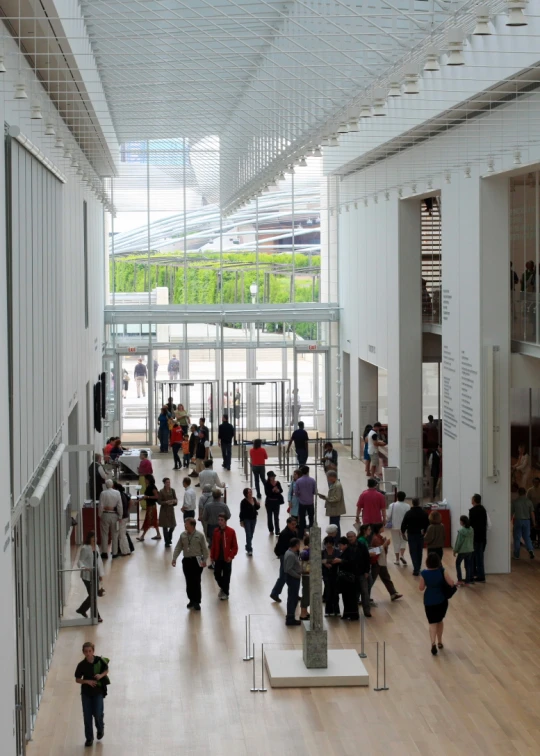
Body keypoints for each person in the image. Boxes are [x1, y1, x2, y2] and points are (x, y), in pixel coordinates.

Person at [419, 552, 455, 654]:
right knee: (439, 620)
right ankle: (440, 641)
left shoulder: (424, 573)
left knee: (432, 623)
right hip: (441, 600)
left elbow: (421, 588)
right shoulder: (442, 571)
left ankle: (433, 643)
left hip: (429, 601)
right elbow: (451, 583)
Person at [75, 641, 109, 746]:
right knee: (87, 716)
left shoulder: (99, 660)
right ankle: (89, 738)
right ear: (83, 652)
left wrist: (101, 675)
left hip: (98, 692)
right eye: (86, 651)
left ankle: (100, 728)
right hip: (86, 693)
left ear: (93, 651)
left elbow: (107, 670)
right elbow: (77, 679)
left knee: (98, 713)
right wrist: (87, 681)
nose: (88, 653)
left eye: (90, 651)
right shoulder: (81, 665)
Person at [171, 517, 209, 610]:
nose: (185, 526)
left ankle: (197, 601)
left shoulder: (200, 535)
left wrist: (204, 560)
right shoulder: (183, 535)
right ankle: (191, 599)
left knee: (196, 581)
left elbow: (205, 549)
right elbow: (178, 547)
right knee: (189, 581)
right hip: (187, 561)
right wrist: (174, 558)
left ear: (192, 525)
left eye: (186, 524)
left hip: (198, 560)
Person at [369, 524, 403, 602]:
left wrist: (385, 543)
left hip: (381, 561)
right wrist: (385, 543)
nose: (383, 528)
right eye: (382, 527)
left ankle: (393, 593)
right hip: (377, 562)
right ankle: (364, 596)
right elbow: (378, 550)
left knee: (386, 578)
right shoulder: (376, 538)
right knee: (372, 579)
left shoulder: (378, 537)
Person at [76, 531, 103, 622]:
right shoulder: (85, 548)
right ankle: (96, 616)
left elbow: (99, 562)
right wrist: (84, 567)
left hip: (95, 574)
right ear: (89, 538)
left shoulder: (97, 547)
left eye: (95, 537)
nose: (94, 539)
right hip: (87, 575)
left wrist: (100, 574)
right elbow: (80, 561)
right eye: (92, 537)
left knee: (93, 595)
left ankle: (82, 609)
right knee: (93, 595)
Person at [210, 513, 238, 600]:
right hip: (218, 558)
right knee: (216, 574)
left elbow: (235, 546)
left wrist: (231, 556)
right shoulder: (216, 531)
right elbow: (213, 545)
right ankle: (223, 587)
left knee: (226, 576)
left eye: (222, 520)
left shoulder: (231, 531)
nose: (220, 522)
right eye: (219, 520)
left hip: (227, 558)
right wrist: (212, 556)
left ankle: (226, 592)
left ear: (225, 521)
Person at [270, 516, 298, 602]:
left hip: (290, 556)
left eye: (295, 524)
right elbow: (281, 547)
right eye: (292, 524)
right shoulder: (285, 534)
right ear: (288, 524)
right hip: (285, 557)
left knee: (286, 575)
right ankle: (275, 593)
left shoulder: (293, 532)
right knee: (284, 576)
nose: (294, 526)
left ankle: (293, 593)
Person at [401, 498, 430, 575]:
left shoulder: (408, 513)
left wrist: (403, 533)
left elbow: (404, 524)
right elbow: (428, 524)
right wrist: (425, 532)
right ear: (419, 503)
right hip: (421, 534)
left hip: (411, 534)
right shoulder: (424, 513)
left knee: (413, 551)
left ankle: (416, 568)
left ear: (412, 503)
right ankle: (418, 567)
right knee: (419, 551)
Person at [334, 537, 360, 621]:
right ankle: (347, 614)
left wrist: (341, 561)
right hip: (346, 579)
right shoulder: (346, 551)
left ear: (345, 545)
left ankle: (353, 615)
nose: (339, 547)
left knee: (351, 597)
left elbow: (352, 563)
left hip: (350, 579)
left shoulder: (351, 551)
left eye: (340, 545)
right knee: (346, 597)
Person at [98, 479, 122, 560]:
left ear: (105, 485)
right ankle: (114, 553)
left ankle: (104, 552)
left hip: (105, 514)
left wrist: (100, 515)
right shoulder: (117, 493)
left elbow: (101, 505)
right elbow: (119, 506)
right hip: (114, 515)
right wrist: (120, 516)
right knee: (115, 534)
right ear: (112, 485)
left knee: (104, 534)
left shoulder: (103, 493)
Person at [317, 470, 345, 537]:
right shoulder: (334, 484)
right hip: (333, 509)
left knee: (335, 525)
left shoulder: (337, 485)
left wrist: (327, 498)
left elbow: (337, 498)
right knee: (333, 524)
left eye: (328, 477)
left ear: (332, 477)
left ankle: (336, 539)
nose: (327, 479)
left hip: (335, 509)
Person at [511, 487, 536, 559]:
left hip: (518, 520)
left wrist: (509, 521)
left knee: (517, 538)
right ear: (525, 493)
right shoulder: (529, 502)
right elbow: (532, 513)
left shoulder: (515, 502)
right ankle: (530, 550)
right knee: (527, 537)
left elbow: (512, 513)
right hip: (527, 521)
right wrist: (534, 522)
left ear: (518, 493)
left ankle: (516, 555)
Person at [469, 493, 488, 582]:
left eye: (472, 499)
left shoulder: (472, 511)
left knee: (473, 557)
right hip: (483, 537)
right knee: (480, 557)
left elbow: (470, 525)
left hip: (475, 537)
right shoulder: (483, 510)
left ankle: (473, 574)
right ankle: (481, 575)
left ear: (474, 500)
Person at [387, 491, 410, 565]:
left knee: (396, 542)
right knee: (403, 541)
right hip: (404, 527)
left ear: (397, 497)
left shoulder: (392, 505)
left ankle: (397, 560)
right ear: (404, 497)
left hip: (394, 526)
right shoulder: (407, 506)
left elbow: (388, 516)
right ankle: (402, 555)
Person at [283, 537, 302, 625]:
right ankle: (290, 618)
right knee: (292, 598)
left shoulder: (290, 552)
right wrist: (297, 575)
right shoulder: (291, 555)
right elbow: (288, 569)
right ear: (296, 545)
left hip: (293, 578)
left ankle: (290, 616)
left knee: (293, 598)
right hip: (293, 579)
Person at [136, 474, 160, 541]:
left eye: (145, 479)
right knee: (153, 521)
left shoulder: (152, 487)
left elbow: (156, 496)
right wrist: (138, 500)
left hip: (151, 507)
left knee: (148, 521)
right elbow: (145, 496)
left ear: (148, 480)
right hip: (150, 506)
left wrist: (148, 497)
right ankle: (158, 534)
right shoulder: (149, 486)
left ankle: (142, 536)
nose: (145, 481)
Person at [295, 465, 317, 537]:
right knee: (311, 518)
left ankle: (301, 534)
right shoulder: (312, 480)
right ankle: (311, 534)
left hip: (302, 503)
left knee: (302, 519)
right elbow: (314, 491)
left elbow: (296, 493)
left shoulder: (298, 481)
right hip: (310, 503)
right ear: (308, 471)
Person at [322, 536, 341, 617]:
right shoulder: (322, 552)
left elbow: (339, 560)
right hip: (326, 574)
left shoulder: (337, 551)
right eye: (327, 543)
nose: (328, 545)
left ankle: (336, 610)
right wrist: (325, 563)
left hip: (335, 574)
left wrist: (326, 562)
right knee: (328, 592)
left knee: (335, 593)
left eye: (330, 543)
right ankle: (328, 611)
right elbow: (320, 560)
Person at [453, 515, 475, 585]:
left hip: (462, 551)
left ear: (462, 522)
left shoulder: (461, 531)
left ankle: (459, 580)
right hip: (470, 550)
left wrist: (455, 550)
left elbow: (458, 542)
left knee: (457, 564)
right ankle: (468, 581)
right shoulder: (471, 529)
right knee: (468, 565)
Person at [112, 481, 131, 557]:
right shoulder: (124, 494)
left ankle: (125, 550)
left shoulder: (118, 495)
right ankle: (125, 550)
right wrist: (127, 510)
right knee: (122, 534)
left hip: (121, 517)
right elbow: (130, 501)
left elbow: (118, 507)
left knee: (121, 535)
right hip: (125, 516)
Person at [239, 487, 260, 556]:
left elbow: (257, 508)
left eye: (251, 492)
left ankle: (247, 545)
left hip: (254, 518)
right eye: (249, 492)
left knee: (251, 533)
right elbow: (241, 512)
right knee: (248, 534)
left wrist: (258, 504)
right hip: (246, 519)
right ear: (246, 494)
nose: (250, 493)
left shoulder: (254, 499)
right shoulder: (243, 502)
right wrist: (241, 521)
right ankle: (250, 549)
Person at [158, 477, 177, 547]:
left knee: (173, 525)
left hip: (171, 510)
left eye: (169, 482)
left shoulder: (172, 490)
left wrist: (174, 501)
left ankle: (169, 536)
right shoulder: (161, 491)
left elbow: (175, 498)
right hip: (164, 510)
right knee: (165, 526)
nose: (168, 484)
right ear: (164, 483)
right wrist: (166, 502)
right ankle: (167, 541)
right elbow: (159, 501)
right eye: (167, 482)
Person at [264, 470, 284, 535]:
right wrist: (272, 490)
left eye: (273, 476)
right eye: (271, 477)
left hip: (276, 502)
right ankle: (271, 529)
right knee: (269, 517)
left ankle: (277, 530)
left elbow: (281, 490)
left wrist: (278, 490)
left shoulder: (277, 483)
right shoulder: (267, 484)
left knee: (276, 517)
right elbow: (267, 493)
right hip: (269, 502)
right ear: (269, 477)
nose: (273, 478)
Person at [299, 535, 310, 621]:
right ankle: (303, 612)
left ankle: (305, 611)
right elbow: (304, 557)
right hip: (307, 575)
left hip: (310, 575)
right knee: (306, 593)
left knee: (308, 594)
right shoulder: (306, 551)